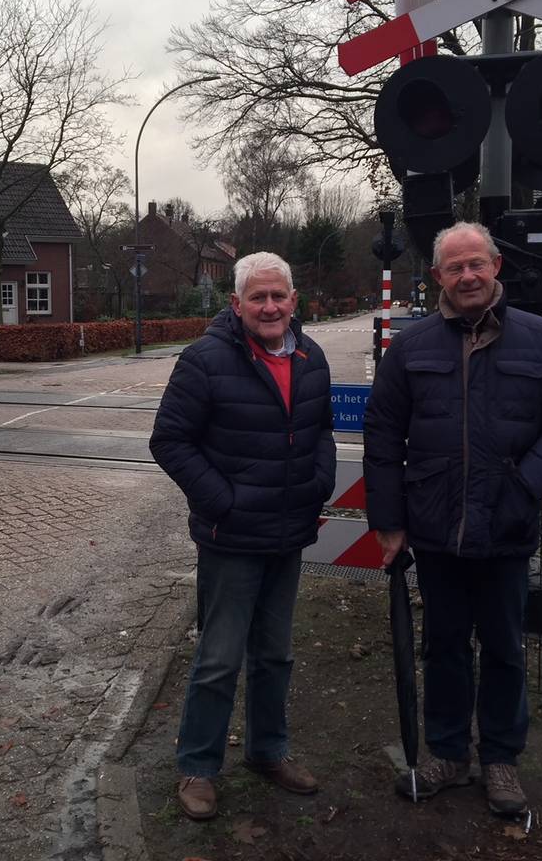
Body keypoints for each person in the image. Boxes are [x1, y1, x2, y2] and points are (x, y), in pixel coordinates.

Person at [363, 221, 542, 817]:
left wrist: (526, 485)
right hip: (436, 529)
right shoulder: (411, 347)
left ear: (496, 267)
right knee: (442, 646)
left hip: (506, 526)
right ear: (438, 276)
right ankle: (446, 752)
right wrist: (388, 521)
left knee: (504, 648)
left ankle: (500, 759)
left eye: (476, 264)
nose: (467, 276)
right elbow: (384, 436)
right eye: (454, 267)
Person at [150, 251, 336, 821]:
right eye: (258, 297)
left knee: (275, 655)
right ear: (237, 304)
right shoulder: (205, 359)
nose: (270, 306)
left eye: (279, 295)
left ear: (294, 301)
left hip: (289, 531)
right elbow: (170, 441)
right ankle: (199, 768)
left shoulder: (311, 356)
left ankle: (267, 751)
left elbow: (321, 431)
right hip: (231, 538)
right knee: (218, 658)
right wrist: (223, 502)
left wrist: (319, 482)